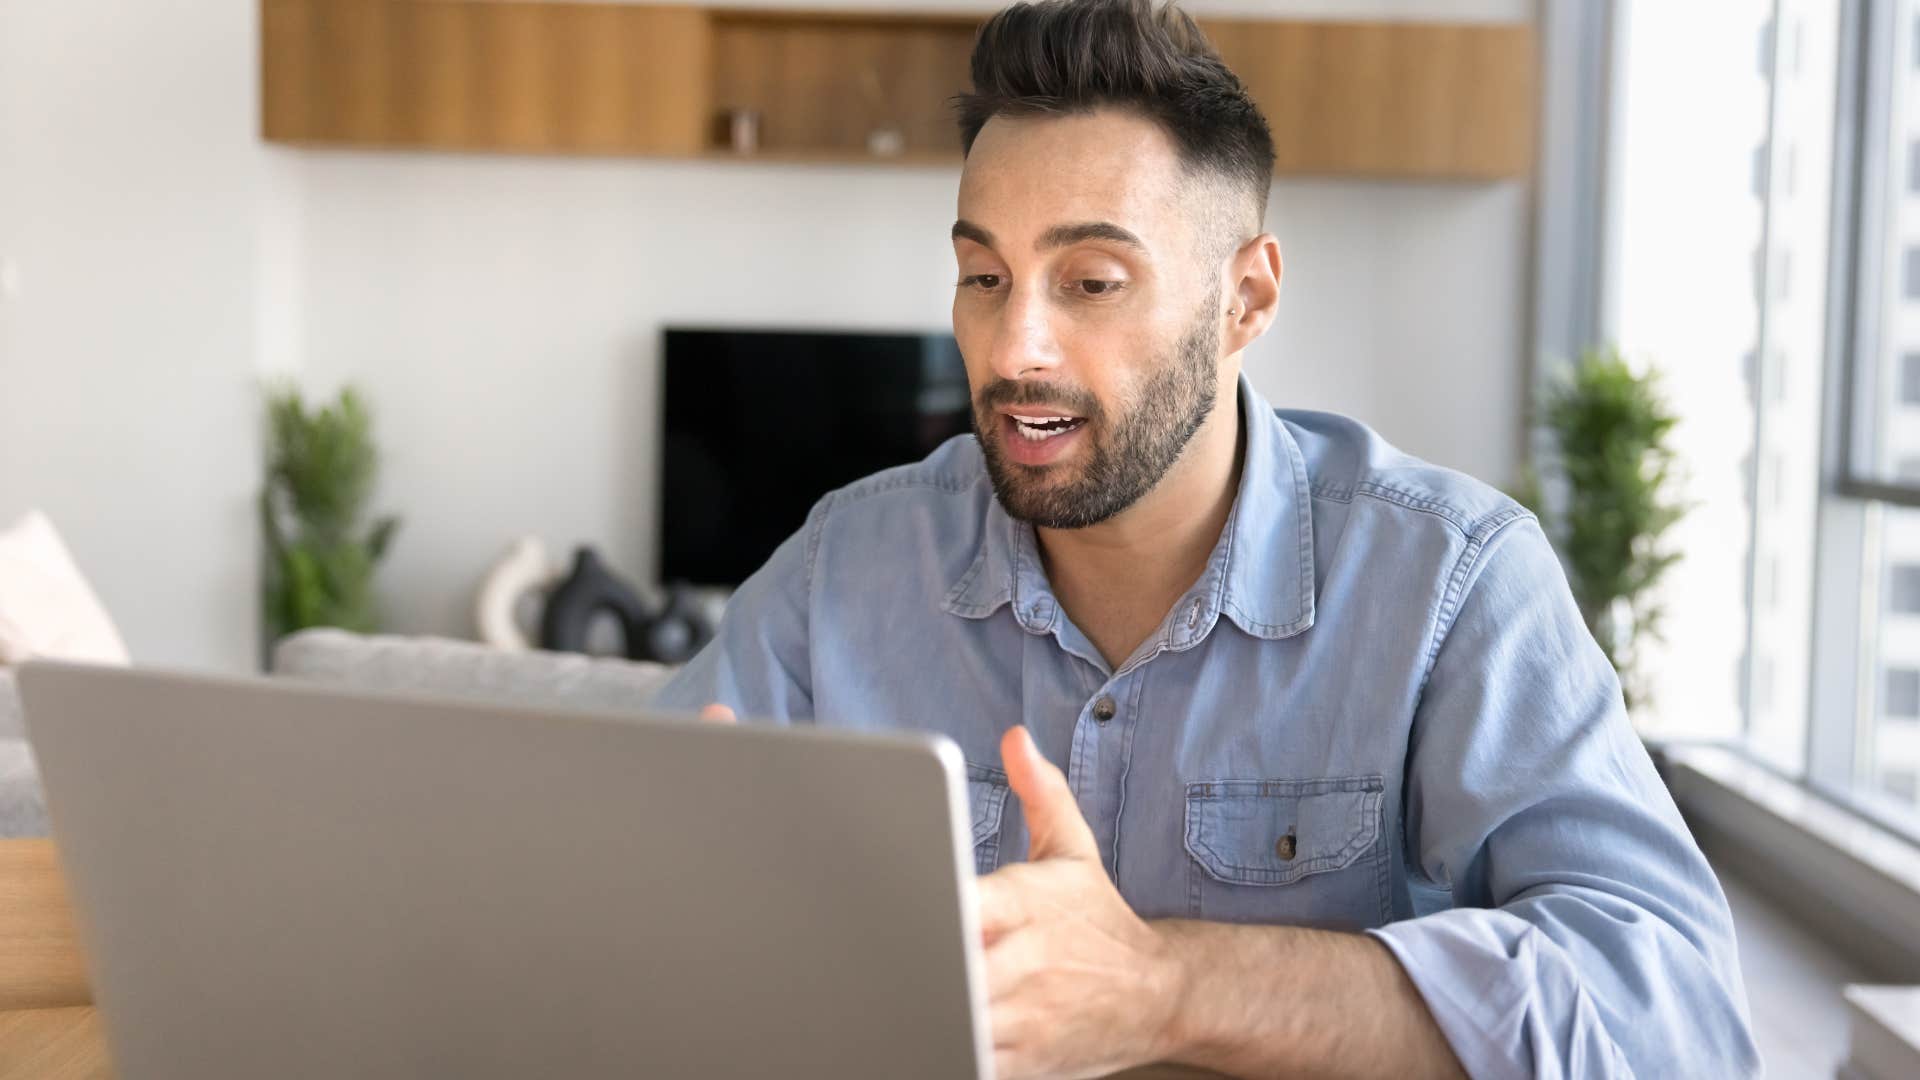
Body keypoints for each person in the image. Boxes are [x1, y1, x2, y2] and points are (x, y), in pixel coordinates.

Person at [654, 1, 1760, 1076]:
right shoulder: (845, 566)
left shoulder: (1452, 583)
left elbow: (1676, 1023)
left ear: (1245, 299)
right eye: (983, 277)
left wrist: (1163, 987)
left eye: (1090, 281)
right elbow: (631, 888)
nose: (1012, 346)